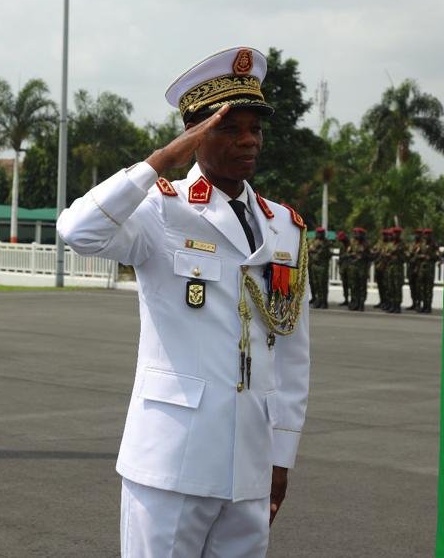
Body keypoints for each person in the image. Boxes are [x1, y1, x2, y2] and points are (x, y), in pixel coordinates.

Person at [58, 47, 310, 558]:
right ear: (195, 136)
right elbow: (75, 230)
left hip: (250, 465)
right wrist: (158, 164)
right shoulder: (160, 211)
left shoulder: (283, 225)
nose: (248, 140)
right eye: (229, 127)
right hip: (172, 462)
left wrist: (281, 456)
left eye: (255, 128)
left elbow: (292, 352)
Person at [344, 227, 371, 311]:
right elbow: (348, 253)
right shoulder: (352, 242)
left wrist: (362, 257)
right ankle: (354, 303)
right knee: (353, 286)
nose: (356, 235)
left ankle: (361, 303)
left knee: (362, 286)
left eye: (358, 234)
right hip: (353, 267)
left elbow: (370, 256)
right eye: (355, 233)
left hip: (362, 268)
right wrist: (351, 256)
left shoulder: (366, 244)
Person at [308, 227, 332, 309]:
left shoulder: (326, 243)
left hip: (322, 266)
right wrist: (312, 251)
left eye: (320, 233)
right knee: (316, 284)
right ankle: (318, 300)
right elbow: (309, 250)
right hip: (314, 265)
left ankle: (324, 302)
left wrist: (312, 251)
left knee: (322, 285)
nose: (318, 235)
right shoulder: (314, 241)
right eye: (317, 233)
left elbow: (319, 254)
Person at [405, 229, 423, 311]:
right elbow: (408, 254)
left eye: (418, 235)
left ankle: (419, 304)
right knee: (412, 287)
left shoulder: (422, 245)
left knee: (418, 287)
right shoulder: (412, 245)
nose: (416, 236)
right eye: (416, 234)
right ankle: (414, 303)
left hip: (418, 268)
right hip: (411, 268)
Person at [336, 230, 351, 307]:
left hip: (349, 268)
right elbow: (341, 256)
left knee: (351, 285)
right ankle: (346, 299)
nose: (340, 241)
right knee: (344, 284)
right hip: (343, 267)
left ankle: (352, 300)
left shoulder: (350, 245)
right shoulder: (342, 245)